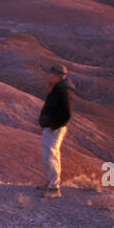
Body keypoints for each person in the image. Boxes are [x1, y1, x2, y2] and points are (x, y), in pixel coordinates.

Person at [37, 64, 75, 197]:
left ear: (59, 76)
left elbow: (66, 113)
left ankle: (54, 188)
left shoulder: (63, 91)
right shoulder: (58, 89)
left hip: (55, 128)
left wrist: (53, 126)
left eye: (51, 74)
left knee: (51, 155)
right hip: (52, 127)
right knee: (50, 155)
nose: (49, 75)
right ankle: (51, 183)